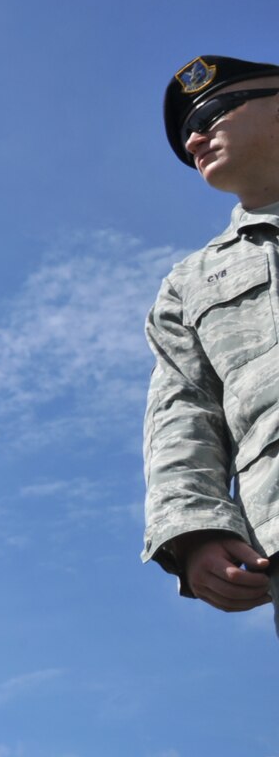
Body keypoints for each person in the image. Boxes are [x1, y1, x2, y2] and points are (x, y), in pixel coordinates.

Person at [142, 56, 279, 628]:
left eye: (213, 111)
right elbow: (184, 411)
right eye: (184, 136)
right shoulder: (189, 283)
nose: (195, 137)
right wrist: (195, 529)